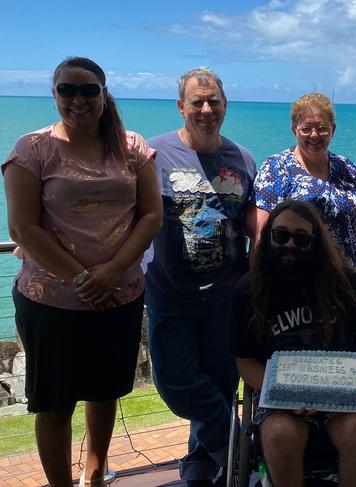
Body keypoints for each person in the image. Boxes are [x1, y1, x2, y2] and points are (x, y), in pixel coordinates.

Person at [2, 56, 162, 487]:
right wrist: (83, 278)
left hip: (120, 293)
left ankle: (95, 471)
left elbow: (150, 215)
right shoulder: (31, 149)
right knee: (53, 402)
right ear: (54, 95)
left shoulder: (132, 146)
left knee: (104, 389)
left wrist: (112, 271)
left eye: (88, 89)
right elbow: (22, 227)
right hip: (50, 300)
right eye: (67, 90)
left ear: (104, 93)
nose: (78, 99)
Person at [144, 67, 257, 486]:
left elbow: (251, 222)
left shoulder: (243, 159)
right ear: (181, 107)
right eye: (197, 102)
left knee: (220, 386)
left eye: (214, 101)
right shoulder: (152, 155)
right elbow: (123, 211)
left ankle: (203, 471)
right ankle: (236, 445)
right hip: (170, 294)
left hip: (227, 295)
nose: (206, 109)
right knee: (176, 382)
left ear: (225, 106)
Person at [231, 200, 356, 487]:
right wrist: (285, 394)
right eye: (280, 235)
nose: (289, 245)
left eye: (301, 239)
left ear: (315, 243)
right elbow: (246, 362)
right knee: (278, 434)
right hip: (281, 396)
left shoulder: (343, 280)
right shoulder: (248, 290)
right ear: (268, 237)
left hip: (341, 391)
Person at [252, 92, 356, 303]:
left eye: (322, 128)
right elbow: (261, 233)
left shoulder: (345, 167)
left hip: (349, 286)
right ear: (295, 131)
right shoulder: (276, 168)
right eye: (306, 129)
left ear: (333, 130)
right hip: (298, 288)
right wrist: (259, 288)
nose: (314, 135)